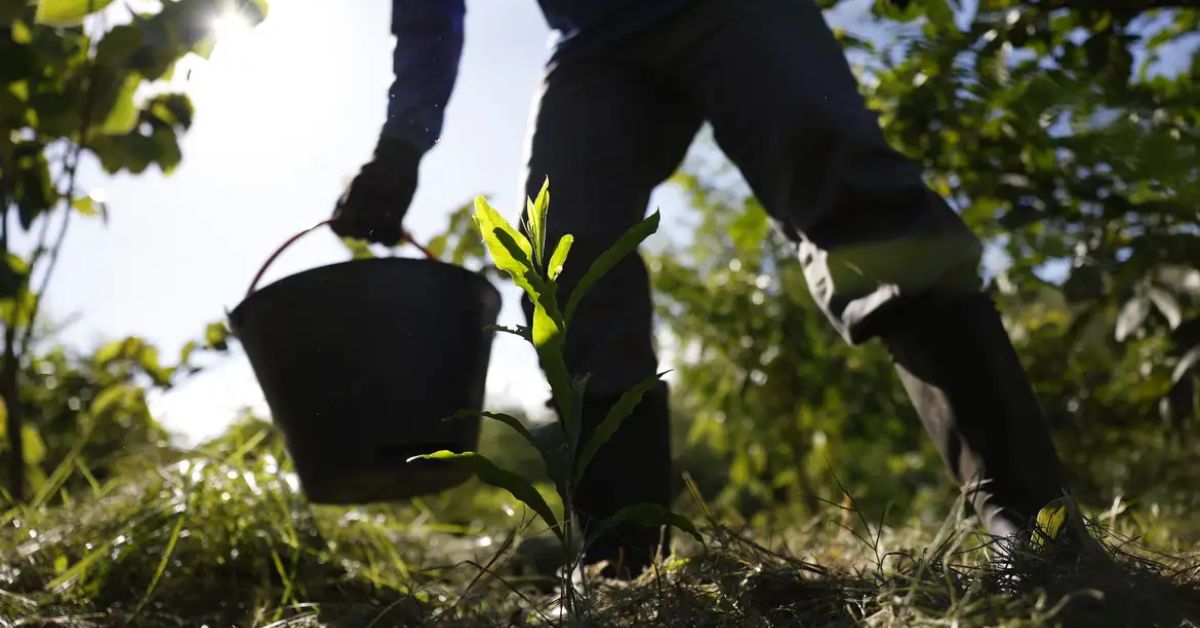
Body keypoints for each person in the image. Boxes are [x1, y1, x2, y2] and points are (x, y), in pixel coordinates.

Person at [331, 0, 1068, 577]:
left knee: (848, 187)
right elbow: (429, 12)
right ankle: (619, 562)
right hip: (594, 42)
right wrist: (401, 144)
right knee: (563, 263)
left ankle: (1029, 523)